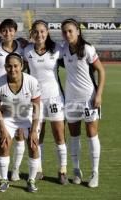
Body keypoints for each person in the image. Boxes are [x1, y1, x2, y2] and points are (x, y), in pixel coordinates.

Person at [23, 20, 68, 184]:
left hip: (55, 98)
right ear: (32, 33)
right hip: (35, 99)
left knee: (59, 135)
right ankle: (38, 170)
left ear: (47, 32)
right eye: (36, 31)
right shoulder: (27, 51)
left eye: (42, 31)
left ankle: (62, 170)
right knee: (36, 135)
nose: (40, 34)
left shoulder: (57, 49)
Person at [61, 18, 105, 188]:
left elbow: (101, 71)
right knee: (74, 135)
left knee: (91, 134)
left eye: (70, 31)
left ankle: (95, 172)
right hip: (71, 100)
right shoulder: (63, 49)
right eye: (64, 31)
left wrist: (99, 95)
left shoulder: (87, 49)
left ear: (78, 31)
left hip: (89, 99)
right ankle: (76, 170)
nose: (67, 34)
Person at [0, 53, 41, 192]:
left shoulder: (31, 81)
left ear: (22, 66)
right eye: (9, 66)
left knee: (33, 145)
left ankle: (31, 180)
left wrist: (34, 131)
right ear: (5, 67)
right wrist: (3, 129)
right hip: (8, 117)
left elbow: (36, 107)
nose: (13, 69)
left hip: (28, 117)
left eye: (16, 66)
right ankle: (4, 179)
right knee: (4, 143)